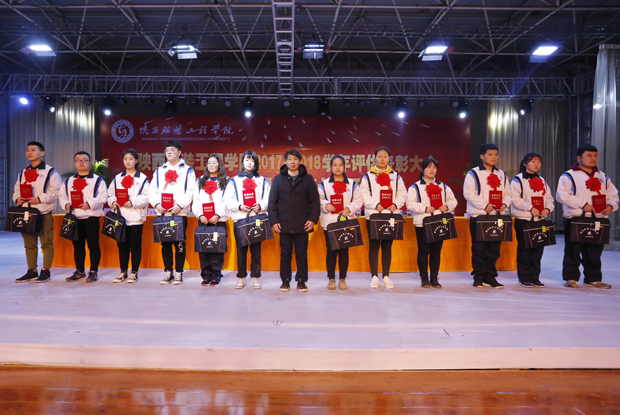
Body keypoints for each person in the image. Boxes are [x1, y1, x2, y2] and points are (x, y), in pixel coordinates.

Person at [556, 144, 618, 289]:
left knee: (594, 251)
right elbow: (562, 196)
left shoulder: (603, 176)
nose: (593, 159)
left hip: (598, 218)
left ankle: (593, 278)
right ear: (579, 158)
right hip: (577, 218)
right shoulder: (569, 175)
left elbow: (613, 194)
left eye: (595, 155)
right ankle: (571, 278)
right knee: (573, 250)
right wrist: (582, 204)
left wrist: (610, 205)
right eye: (589, 156)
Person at [268, 149, 320, 292]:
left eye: (295, 159)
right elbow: (272, 202)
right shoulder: (278, 179)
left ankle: (301, 280)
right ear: (285, 161)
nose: (292, 162)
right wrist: (274, 221)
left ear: (300, 161)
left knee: (301, 254)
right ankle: (285, 280)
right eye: (290, 159)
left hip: (303, 224)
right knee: (285, 254)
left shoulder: (308, 179)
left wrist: (312, 220)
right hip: (284, 224)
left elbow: (315, 202)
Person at [148, 140, 196, 286]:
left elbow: (191, 191)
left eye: (173, 149)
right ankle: (168, 272)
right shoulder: (159, 171)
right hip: (164, 213)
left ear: (179, 152)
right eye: (167, 150)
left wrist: (180, 205)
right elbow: (152, 191)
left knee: (179, 243)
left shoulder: (188, 170)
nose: (169, 152)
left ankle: (179, 272)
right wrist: (157, 204)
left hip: (180, 213)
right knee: (165, 244)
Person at [464, 143, 511, 288]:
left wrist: (505, 204)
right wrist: (485, 205)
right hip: (480, 216)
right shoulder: (473, 173)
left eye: (496, 154)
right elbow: (469, 193)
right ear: (482, 156)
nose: (493, 157)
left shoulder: (501, 174)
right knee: (479, 248)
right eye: (490, 154)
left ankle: (490, 277)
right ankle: (478, 276)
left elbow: (507, 193)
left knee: (494, 249)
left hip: (498, 216)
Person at [13, 141, 62, 283]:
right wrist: (17, 199)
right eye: (27, 150)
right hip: (26, 213)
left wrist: (39, 199)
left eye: (33, 150)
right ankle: (31, 270)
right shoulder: (23, 172)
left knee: (46, 242)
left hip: (43, 213)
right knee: (29, 244)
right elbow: (16, 190)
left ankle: (46, 270)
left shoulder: (51, 172)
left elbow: (57, 191)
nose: (29, 152)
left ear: (42, 153)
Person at [360, 146, 407, 289]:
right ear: (375, 158)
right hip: (374, 215)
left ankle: (386, 276)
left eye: (385, 156)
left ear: (389, 158)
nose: (382, 159)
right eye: (379, 156)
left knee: (387, 246)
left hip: (391, 215)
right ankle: (374, 277)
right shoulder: (368, 176)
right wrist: (376, 205)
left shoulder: (396, 176)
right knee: (374, 246)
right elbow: (363, 194)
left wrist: (395, 204)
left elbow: (402, 194)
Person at [406, 157, 458, 288]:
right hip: (422, 223)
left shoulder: (443, 186)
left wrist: (447, 206)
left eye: (434, 167)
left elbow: (453, 200)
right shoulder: (415, 187)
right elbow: (409, 204)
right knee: (423, 251)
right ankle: (424, 278)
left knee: (436, 251)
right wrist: (425, 208)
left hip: (439, 221)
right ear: (422, 169)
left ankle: (434, 278)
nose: (432, 170)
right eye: (428, 167)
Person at [223, 151, 270, 290]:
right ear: (242, 162)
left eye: (252, 160)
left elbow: (268, 198)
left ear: (256, 163)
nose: (249, 163)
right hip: (240, 219)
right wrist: (239, 206)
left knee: (256, 251)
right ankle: (241, 277)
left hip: (256, 218)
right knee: (241, 250)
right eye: (247, 160)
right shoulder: (234, 180)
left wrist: (260, 206)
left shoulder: (262, 180)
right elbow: (227, 199)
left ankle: (255, 277)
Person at [59, 151, 108, 283]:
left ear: (89, 162)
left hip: (91, 218)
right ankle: (80, 271)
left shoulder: (98, 180)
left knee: (93, 245)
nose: (81, 162)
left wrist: (89, 204)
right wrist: (66, 205)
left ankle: (93, 271)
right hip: (75, 218)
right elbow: (62, 196)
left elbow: (103, 197)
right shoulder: (68, 181)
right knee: (78, 246)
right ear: (75, 163)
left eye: (84, 160)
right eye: (78, 160)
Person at [318, 155, 363, 290]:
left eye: (340, 165)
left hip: (346, 222)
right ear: (330, 167)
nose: (338, 168)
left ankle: (342, 278)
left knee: (344, 252)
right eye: (335, 165)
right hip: (330, 222)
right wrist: (325, 205)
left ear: (344, 167)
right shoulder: (324, 184)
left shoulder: (352, 184)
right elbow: (318, 199)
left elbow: (359, 200)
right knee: (331, 251)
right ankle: (331, 278)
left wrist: (350, 208)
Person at [510, 152, 555, 288]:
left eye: (538, 161)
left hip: (540, 219)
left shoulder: (542, 180)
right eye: (533, 161)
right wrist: (530, 208)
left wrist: (547, 209)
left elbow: (549, 198)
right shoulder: (518, 180)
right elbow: (514, 198)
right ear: (525, 164)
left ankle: (535, 277)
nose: (536, 164)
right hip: (524, 219)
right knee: (525, 250)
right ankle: (524, 277)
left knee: (538, 250)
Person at [107, 149, 150, 283]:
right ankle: (123, 272)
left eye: (131, 159)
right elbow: (110, 194)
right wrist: (113, 201)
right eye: (125, 159)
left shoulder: (142, 178)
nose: (128, 161)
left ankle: (134, 273)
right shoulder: (117, 178)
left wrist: (132, 202)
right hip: (120, 217)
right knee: (122, 246)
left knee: (135, 246)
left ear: (136, 161)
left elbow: (147, 197)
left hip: (135, 218)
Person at [193, 154, 229, 286]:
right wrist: (200, 215)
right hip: (203, 220)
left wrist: (217, 215)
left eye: (214, 162)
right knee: (204, 248)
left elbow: (226, 200)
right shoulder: (200, 180)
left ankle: (215, 274)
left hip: (218, 220)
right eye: (209, 163)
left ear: (219, 165)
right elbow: (196, 200)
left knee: (217, 249)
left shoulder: (226, 180)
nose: (211, 165)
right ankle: (205, 275)